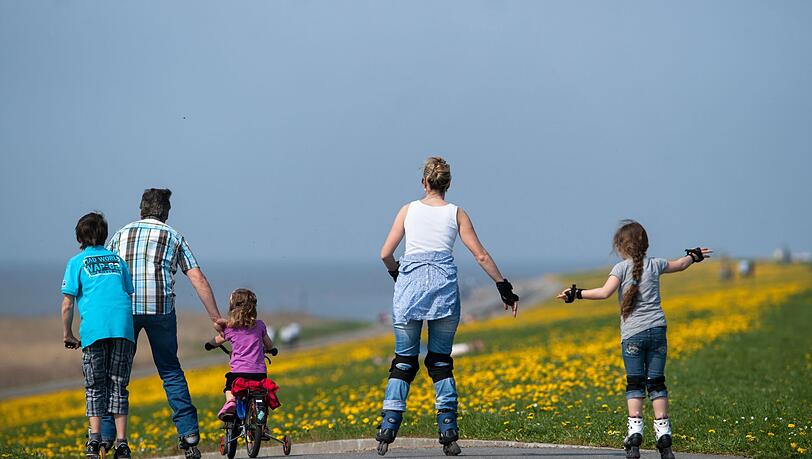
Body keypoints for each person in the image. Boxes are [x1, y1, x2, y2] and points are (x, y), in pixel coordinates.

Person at [374, 157, 520, 456]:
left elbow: (385, 254)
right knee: (440, 362)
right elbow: (480, 255)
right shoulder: (457, 214)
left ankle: (388, 427)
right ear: (447, 184)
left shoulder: (408, 210)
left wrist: (396, 274)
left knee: (404, 362)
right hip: (443, 293)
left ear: (424, 182)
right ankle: (448, 431)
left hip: (409, 292)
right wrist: (503, 286)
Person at [556, 220, 712, 459]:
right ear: (645, 244)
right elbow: (681, 264)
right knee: (657, 383)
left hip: (632, 335)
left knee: (635, 384)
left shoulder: (620, 268)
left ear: (621, 246)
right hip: (658, 331)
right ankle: (663, 435)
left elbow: (604, 293)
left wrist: (575, 294)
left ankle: (635, 433)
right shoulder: (656, 264)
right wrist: (695, 255)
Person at [102, 188, 225, 459]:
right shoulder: (174, 236)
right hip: (161, 310)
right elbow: (198, 278)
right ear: (166, 212)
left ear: (141, 209)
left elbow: (107, 275)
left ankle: (109, 436)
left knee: (117, 375)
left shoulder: (120, 234)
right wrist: (216, 318)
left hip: (126, 311)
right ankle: (189, 434)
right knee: (170, 371)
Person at [61, 212, 136, 459]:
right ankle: (122, 443)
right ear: (104, 235)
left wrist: (68, 334)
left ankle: (94, 440)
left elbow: (67, 304)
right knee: (118, 385)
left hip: (94, 331)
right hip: (123, 329)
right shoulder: (118, 261)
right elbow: (126, 293)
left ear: (79, 236)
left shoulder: (77, 262)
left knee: (95, 386)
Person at [206, 289, 278, 421]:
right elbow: (269, 344)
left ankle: (231, 401)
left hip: (239, 373)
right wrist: (270, 349)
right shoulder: (260, 325)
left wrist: (210, 345)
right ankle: (262, 423)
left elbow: (217, 339)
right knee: (261, 394)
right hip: (259, 374)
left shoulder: (230, 328)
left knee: (229, 386)